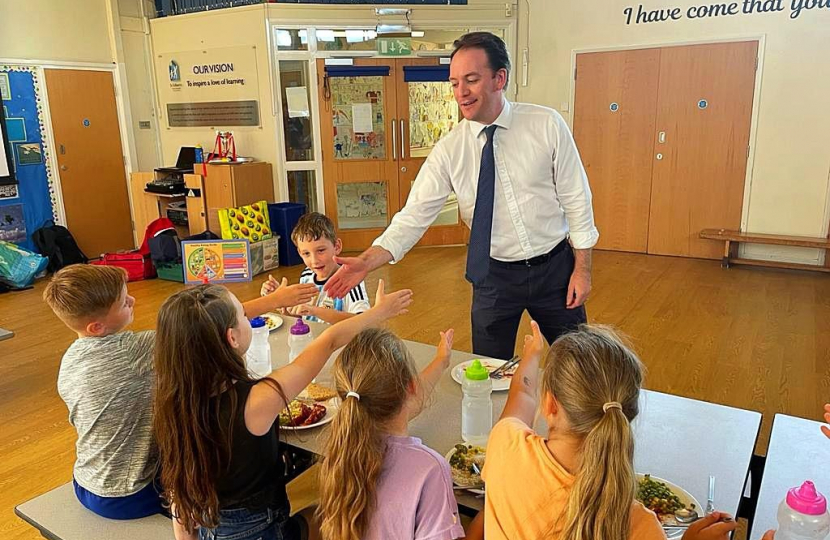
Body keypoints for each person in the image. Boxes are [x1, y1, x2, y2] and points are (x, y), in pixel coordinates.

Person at [324, 31, 598, 359]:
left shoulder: (546, 125)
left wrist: (582, 269)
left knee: (581, 362)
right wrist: (368, 261)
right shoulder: (450, 150)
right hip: (493, 278)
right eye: (454, 83)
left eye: (471, 80)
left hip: (555, 269)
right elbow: (413, 216)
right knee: (488, 369)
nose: (461, 93)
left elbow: (576, 198)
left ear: (500, 78)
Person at [42, 264, 317, 520]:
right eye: (123, 301)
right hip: (131, 493)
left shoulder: (70, 360)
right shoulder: (132, 351)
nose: (132, 301)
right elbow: (205, 325)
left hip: (86, 481)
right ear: (96, 327)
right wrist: (275, 301)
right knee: (208, 466)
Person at [153, 280, 412, 540]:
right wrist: (380, 312)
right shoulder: (258, 400)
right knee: (332, 515)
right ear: (231, 337)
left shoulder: (173, 402)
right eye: (244, 314)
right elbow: (330, 341)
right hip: (260, 530)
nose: (248, 314)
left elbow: (179, 497)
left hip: (214, 528)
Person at [466, 322, 739, 540]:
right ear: (627, 414)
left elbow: (523, 393)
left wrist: (532, 354)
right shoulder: (637, 524)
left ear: (549, 404)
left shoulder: (506, 446)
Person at [317, 328, 465, 540]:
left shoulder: (339, 452)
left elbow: (407, 401)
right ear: (411, 388)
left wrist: (442, 360)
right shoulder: (430, 468)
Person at [262, 213, 370, 324]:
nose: (314, 261)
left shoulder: (351, 280)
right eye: (306, 253)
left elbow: (363, 322)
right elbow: (302, 317)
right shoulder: (306, 275)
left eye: (321, 250)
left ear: (337, 246)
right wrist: (284, 305)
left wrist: (315, 311)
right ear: (300, 253)